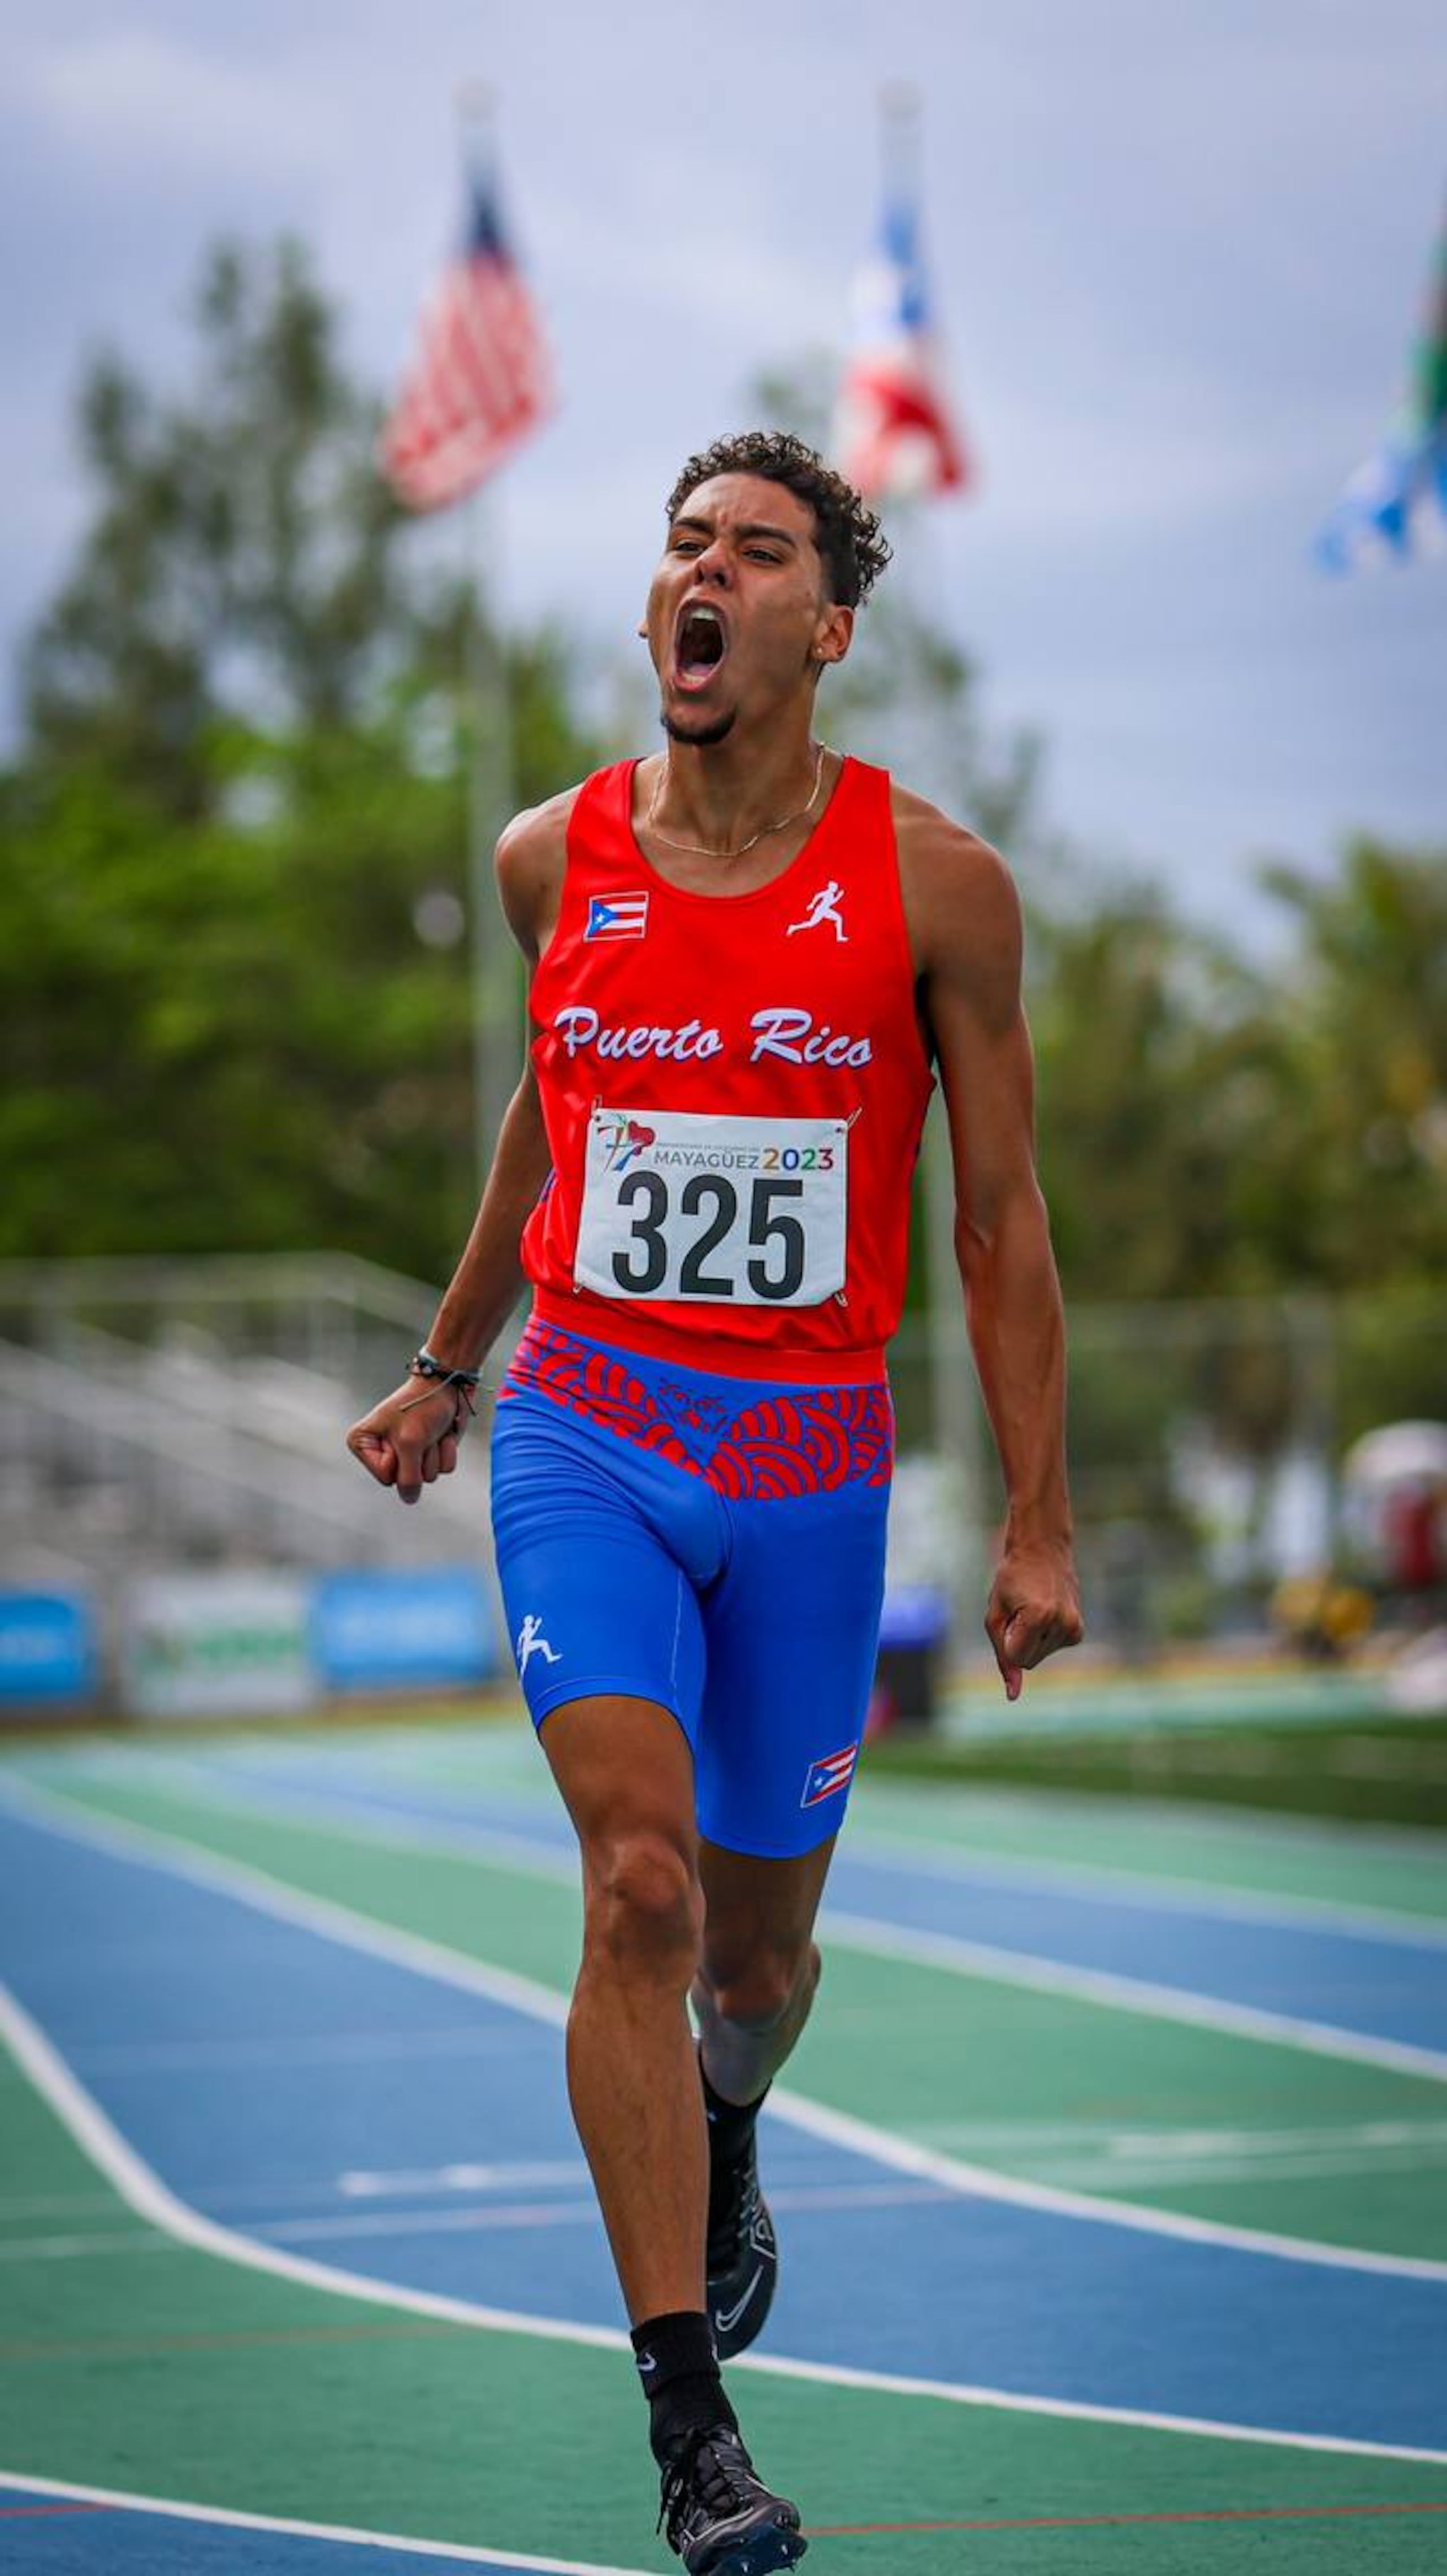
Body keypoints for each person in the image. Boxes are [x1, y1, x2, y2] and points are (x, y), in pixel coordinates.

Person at [346, 429, 1082, 2575]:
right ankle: (692, 2423)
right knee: (640, 1892)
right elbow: (546, 1131)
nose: (707, 575)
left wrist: (1039, 1518)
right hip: (591, 1426)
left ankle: (733, 2120)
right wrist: (446, 1365)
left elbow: (1004, 1220)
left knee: (758, 1954)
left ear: (824, 628)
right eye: (683, 545)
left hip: (815, 1462)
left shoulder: (938, 885)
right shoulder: (546, 857)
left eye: (755, 553)